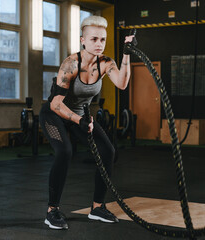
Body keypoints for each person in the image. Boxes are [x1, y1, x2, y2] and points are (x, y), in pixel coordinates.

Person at [39, 15, 135, 230]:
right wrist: (79, 120)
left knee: (107, 151)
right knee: (64, 152)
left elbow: (122, 83)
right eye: (94, 39)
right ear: (83, 40)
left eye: (102, 40)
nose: (99, 44)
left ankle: (97, 207)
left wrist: (126, 55)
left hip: (79, 116)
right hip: (55, 114)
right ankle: (52, 211)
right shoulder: (71, 63)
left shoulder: (106, 63)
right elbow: (55, 104)